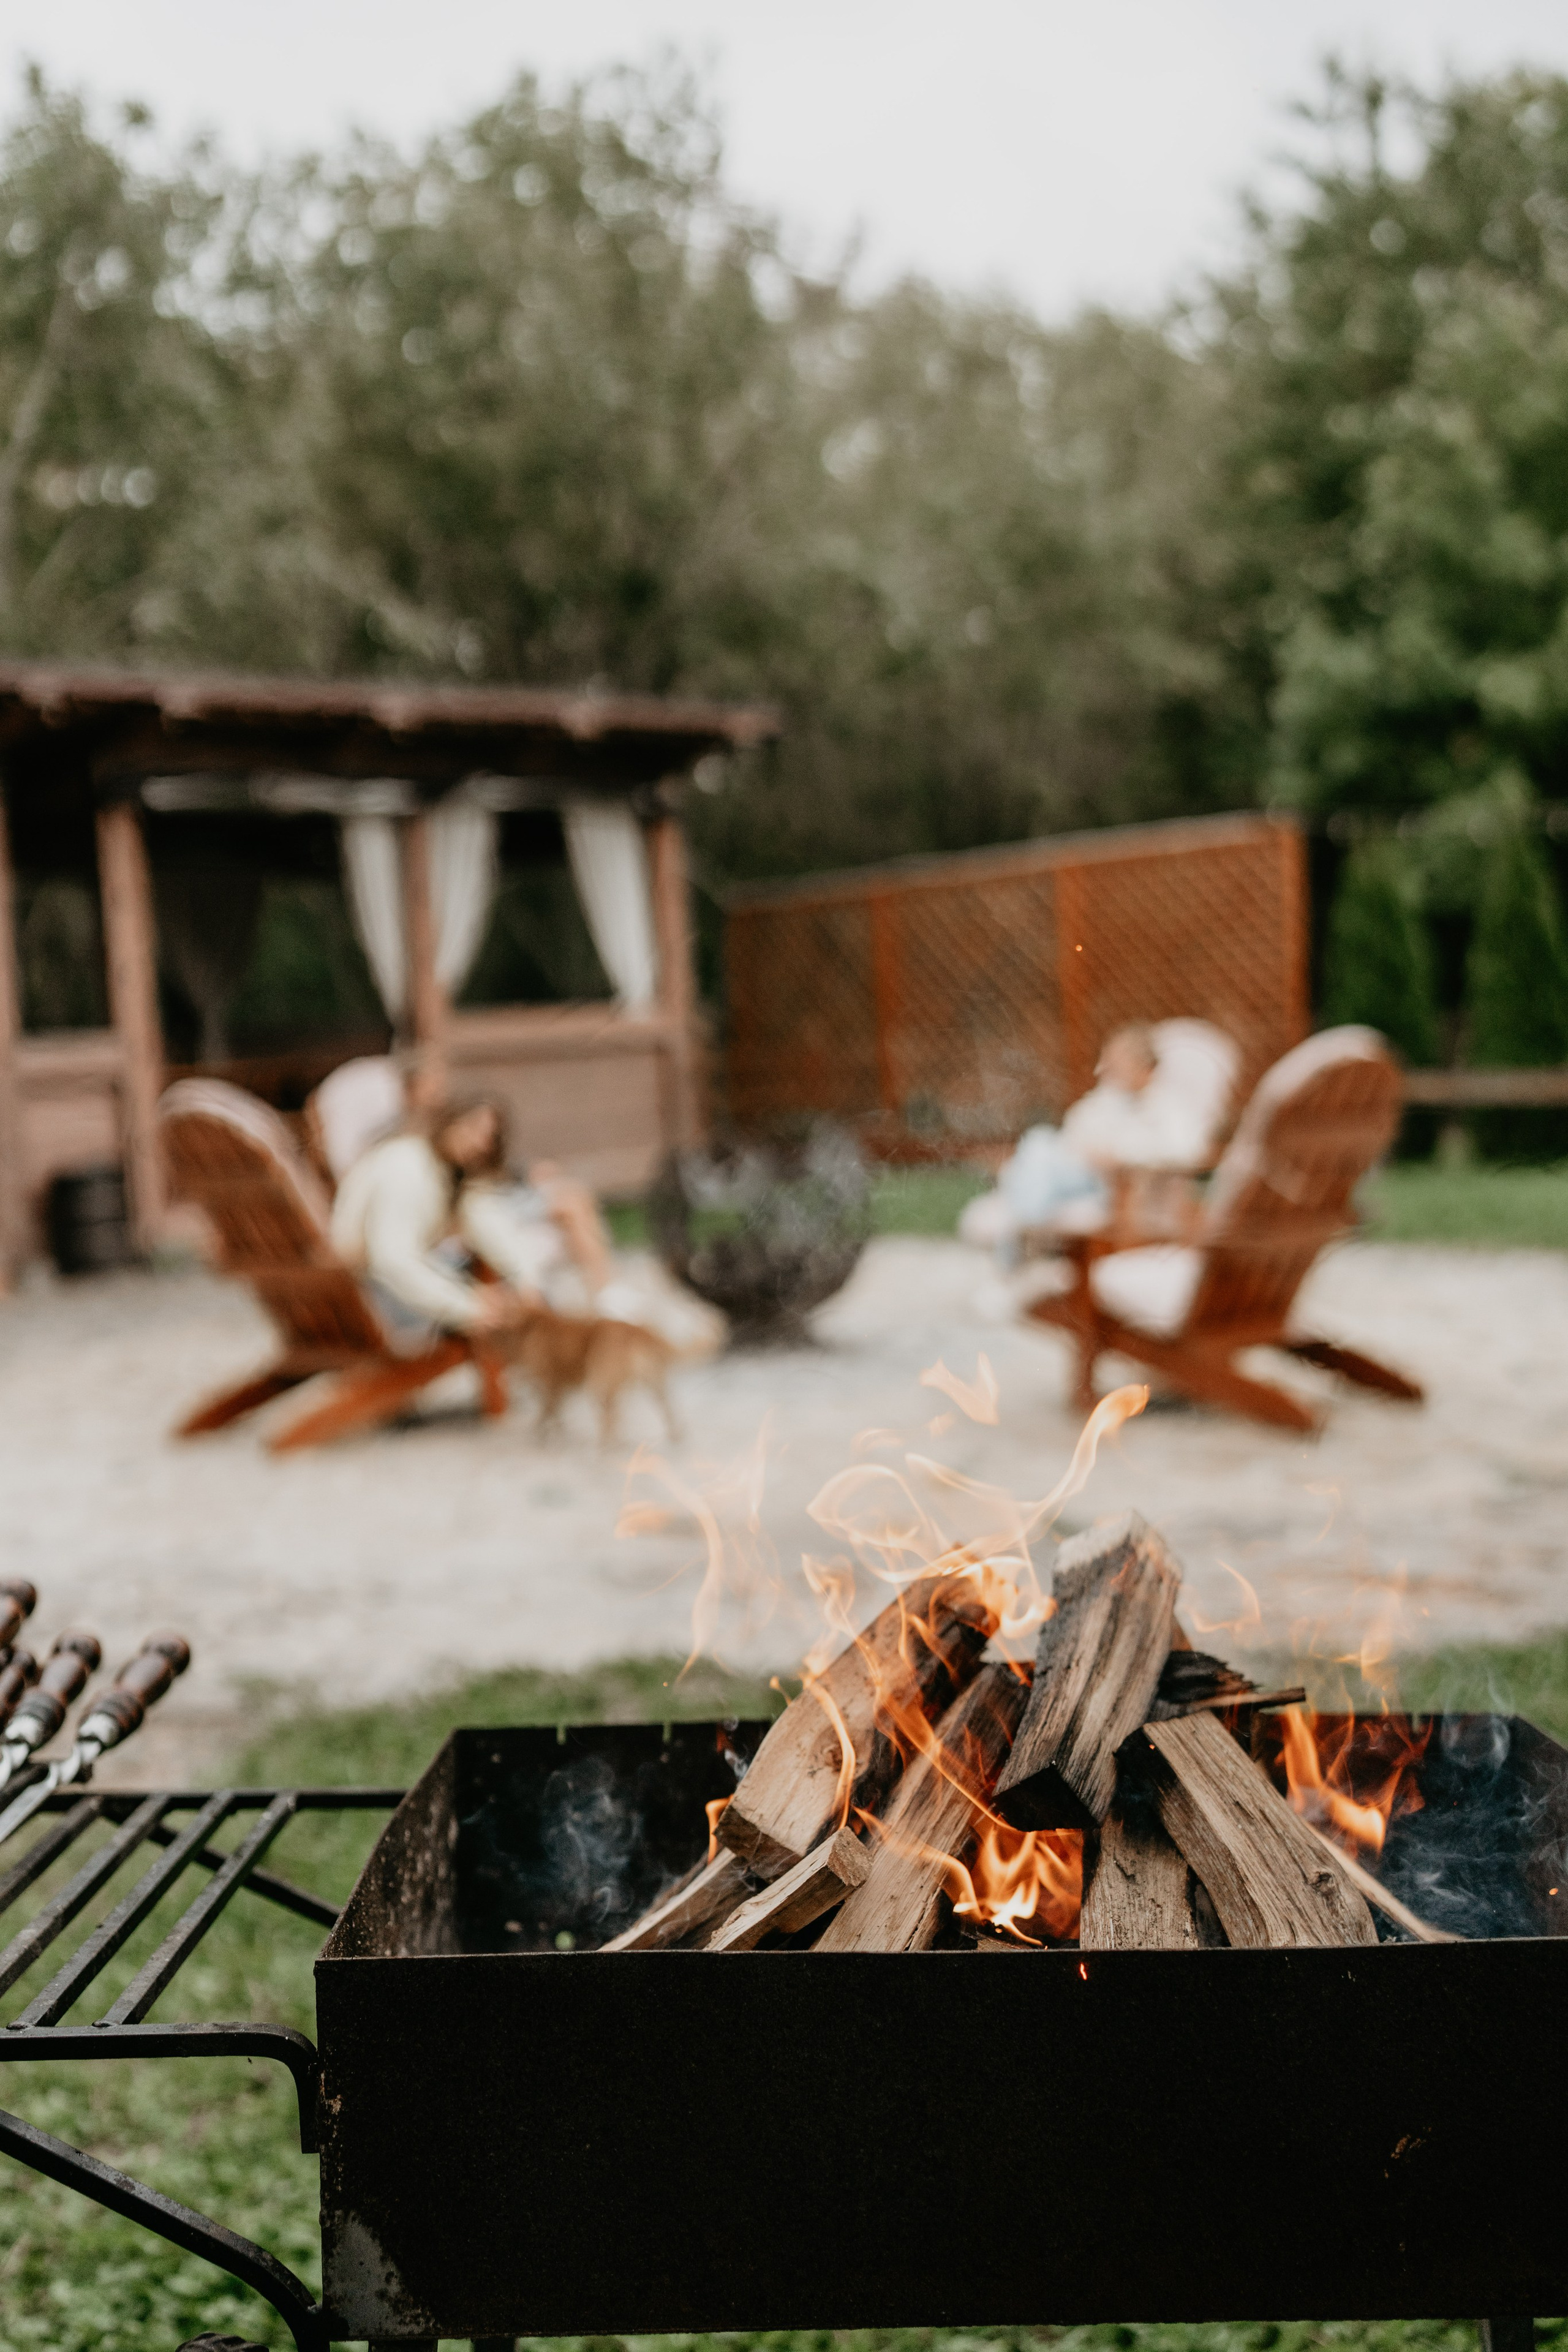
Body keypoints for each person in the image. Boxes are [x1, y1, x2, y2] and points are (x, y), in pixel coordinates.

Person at [330, 1096, 612, 1341]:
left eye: (488, 1137)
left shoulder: (441, 1168)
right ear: (451, 1122)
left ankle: (563, 1349)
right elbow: (392, 1261)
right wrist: (468, 1307)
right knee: (499, 1304)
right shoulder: (408, 1169)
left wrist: (528, 1280)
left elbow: (486, 1220)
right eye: (473, 1129)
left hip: (369, 1291)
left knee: (506, 1295)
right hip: (372, 1297)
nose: (479, 1143)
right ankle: (556, 1363)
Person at [959, 1020, 1239, 1261]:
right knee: (1040, 1142)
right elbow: (1075, 1129)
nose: (1105, 1069)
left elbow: (1190, 1150)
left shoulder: (1169, 1107)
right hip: (1074, 1172)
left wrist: (1120, 1155)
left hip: (1117, 1184)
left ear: (1145, 1068)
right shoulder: (1110, 1097)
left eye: (1117, 1062)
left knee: (1039, 1149)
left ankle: (1020, 1227)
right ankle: (1022, 1221)